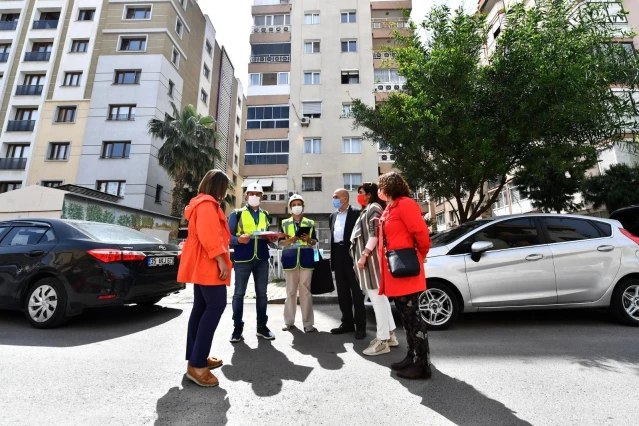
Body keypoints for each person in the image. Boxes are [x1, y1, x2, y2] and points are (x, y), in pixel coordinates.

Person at [178, 169, 232, 387]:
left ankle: (196, 357)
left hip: (200, 261)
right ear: (218, 186)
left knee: (201, 308)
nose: (226, 192)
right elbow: (210, 235)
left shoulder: (198, 203)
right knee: (215, 305)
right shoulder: (208, 205)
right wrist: (221, 260)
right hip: (209, 261)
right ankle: (197, 364)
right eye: (225, 187)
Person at [377, 172, 432, 380]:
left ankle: (423, 365)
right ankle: (412, 356)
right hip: (395, 271)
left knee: (413, 317)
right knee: (406, 317)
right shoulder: (391, 207)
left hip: (406, 269)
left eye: (381, 187)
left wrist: (422, 254)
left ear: (389, 187)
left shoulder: (405, 204)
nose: (379, 191)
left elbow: (421, 233)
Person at [350, 183, 399, 356]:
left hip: (372, 262)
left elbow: (374, 234)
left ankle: (382, 340)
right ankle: (390, 335)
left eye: (361, 193)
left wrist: (364, 255)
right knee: (381, 298)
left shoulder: (374, 208)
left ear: (369, 194)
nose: (359, 196)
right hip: (370, 261)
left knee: (376, 299)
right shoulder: (369, 208)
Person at [228, 183, 279, 343]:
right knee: (239, 294)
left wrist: (272, 239)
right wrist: (238, 240)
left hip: (262, 259)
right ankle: (237, 328)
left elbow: (267, 237)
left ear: (262, 197)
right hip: (243, 259)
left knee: (262, 295)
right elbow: (227, 237)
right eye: (251, 193)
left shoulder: (265, 214)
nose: (254, 196)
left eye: (257, 194)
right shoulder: (236, 214)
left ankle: (261, 327)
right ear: (246, 196)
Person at [329, 188, 366, 339]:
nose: (334, 199)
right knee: (342, 292)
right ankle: (347, 323)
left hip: (352, 254)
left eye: (336, 197)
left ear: (344, 199)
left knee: (356, 292)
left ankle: (361, 326)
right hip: (338, 254)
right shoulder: (332, 216)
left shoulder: (357, 213)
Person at [279, 194, 318, 333]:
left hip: (306, 259)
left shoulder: (310, 223)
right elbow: (280, 242)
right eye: (294, 204)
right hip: (290, 259)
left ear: (303, 207)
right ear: (290, 208)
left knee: (305, 291)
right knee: (290, 291)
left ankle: (308, 324)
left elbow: (314, 242)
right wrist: (291, 240)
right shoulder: (284, 223)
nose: (297, 206)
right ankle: (288, 321)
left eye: (298, 204)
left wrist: (308, 239)